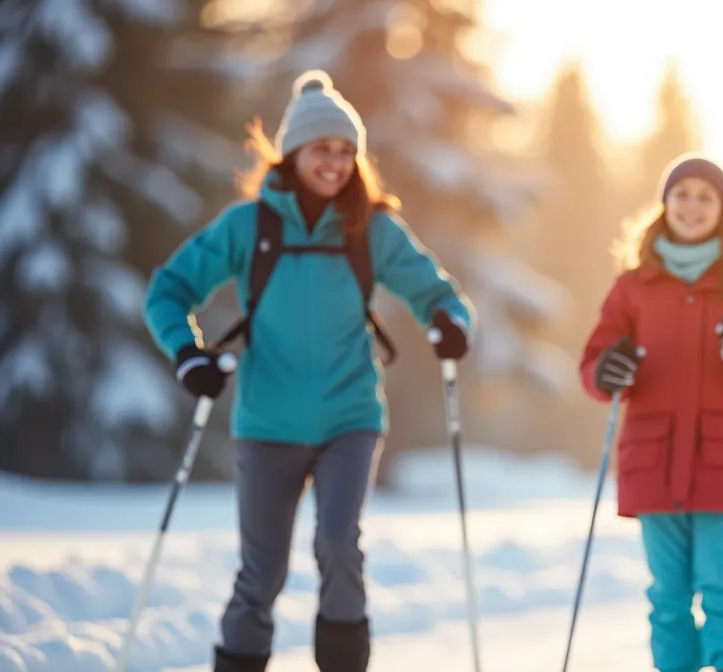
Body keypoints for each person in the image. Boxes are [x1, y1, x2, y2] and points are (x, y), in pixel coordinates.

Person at [143, 70, 474, 672]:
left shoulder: (370, 229)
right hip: (267, 421)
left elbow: (439, 292)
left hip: (350, 416)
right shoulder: (248, 227)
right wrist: (187, 354)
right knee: (261, 573)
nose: (336, 162)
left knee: (338, 546)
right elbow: (168, 290)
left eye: (347, 151)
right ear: (293, 151)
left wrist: (450, 323)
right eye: (323, 148)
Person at [580, 155, 723, 672]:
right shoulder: (634, 284)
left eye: (705, 197)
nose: (692, 206)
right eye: (682, 194)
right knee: (667, 589)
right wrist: (607, 370)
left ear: (722, 209)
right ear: (664, 202)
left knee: (720, 578)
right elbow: (594, 361)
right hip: (652, 455)